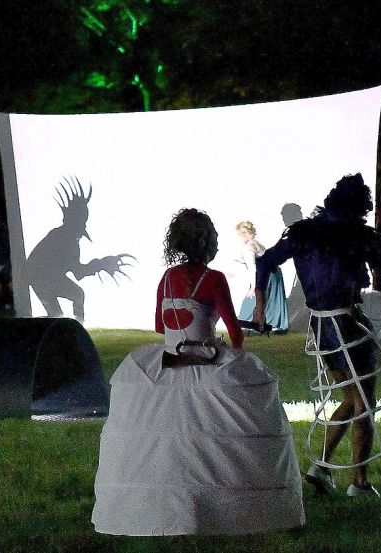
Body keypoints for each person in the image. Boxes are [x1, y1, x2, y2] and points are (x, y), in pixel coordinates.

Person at [93, 208, 303, 535]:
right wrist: (231, 355)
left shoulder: (166, 278)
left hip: (167, 360)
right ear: (207, 243)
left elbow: (159, 325)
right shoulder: (214, 279)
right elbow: (235, 331)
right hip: (206, 358)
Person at [253, 174, 381, 497]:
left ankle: (323, 467)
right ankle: (358, 480)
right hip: (346, 323)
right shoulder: (357, 235)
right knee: (364, 401)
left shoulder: (304, 234)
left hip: (322, 326)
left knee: (353, 398)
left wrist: (260, 306)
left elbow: (265, 261)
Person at [235, 220, 288, 333]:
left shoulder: (248, 248)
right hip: (267, 275)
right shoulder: (256, 244)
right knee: (261, 303)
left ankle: (260, 326)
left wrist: (252, 287)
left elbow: (252, 268)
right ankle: (259, 324)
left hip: (261, 277)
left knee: (260, 302)